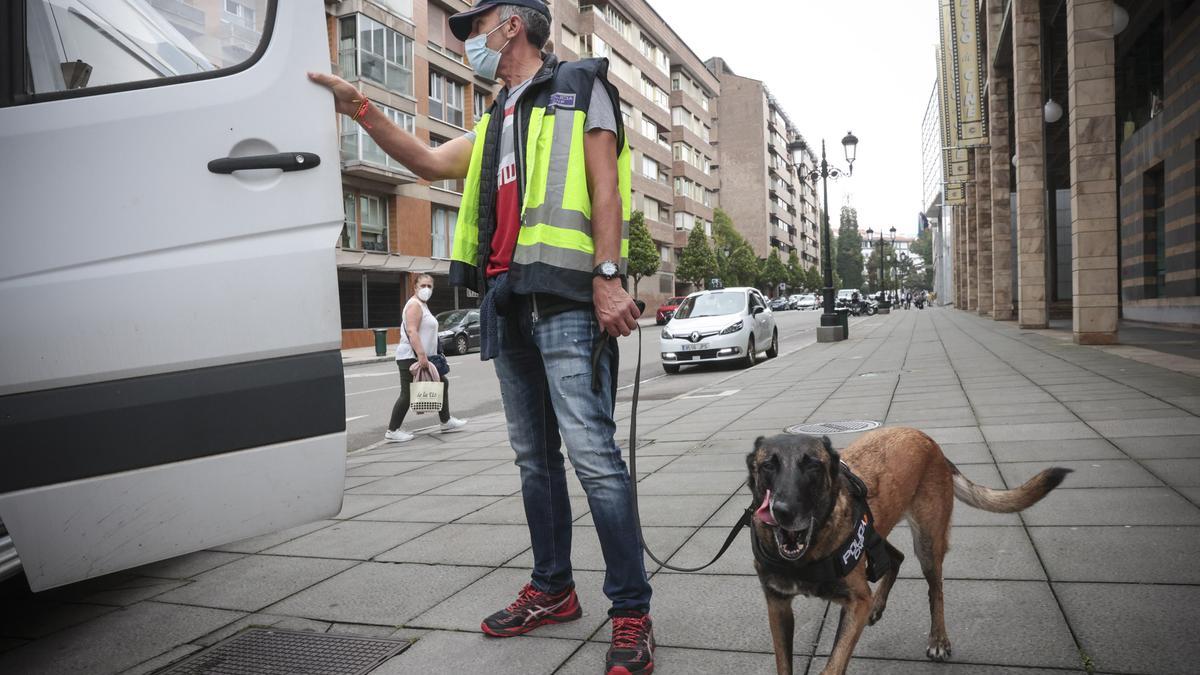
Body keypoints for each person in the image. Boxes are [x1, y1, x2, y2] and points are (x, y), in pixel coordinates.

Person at [310, 2, 654, 672]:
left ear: (513, 26)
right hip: (507, 302)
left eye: (477, 25)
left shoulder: (581, 87)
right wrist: (360, 107)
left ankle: (632, 611)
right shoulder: (495, 119)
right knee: (535, 461)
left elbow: (606, 188)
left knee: (594, 459)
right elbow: (428, 161)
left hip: (567, 301)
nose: (468, 38)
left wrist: (609, 276)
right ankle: (553, 589)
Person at [383, 274, 467, 443]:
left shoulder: (423, 305)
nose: (426, 289)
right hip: (410, 356)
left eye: (429, 286)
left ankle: (446, 421)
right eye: (423, 285)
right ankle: (392, 430)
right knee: (407, 394)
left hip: (422, 356)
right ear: (415, 287)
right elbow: (412, 331)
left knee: (442, 382)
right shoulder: (414, 305)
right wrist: (421, 356)